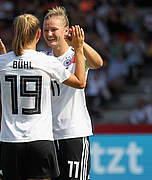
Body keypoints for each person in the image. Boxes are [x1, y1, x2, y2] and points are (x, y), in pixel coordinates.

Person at [0, 13, 86, 180]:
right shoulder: (46, 61)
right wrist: (79, 49)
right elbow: (80, 82)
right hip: (41, 139)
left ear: (16, 33)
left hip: (11, 140)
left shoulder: (2, 61)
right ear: (38, 34)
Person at [43, 6, 103, 180]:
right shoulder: (43, 58)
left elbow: (97, 63)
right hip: (47, 134)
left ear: (66, 31)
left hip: (73, 133)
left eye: (54, 29)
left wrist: (79, 44)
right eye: (46, 30)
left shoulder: (76, 54)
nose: (49, 34)